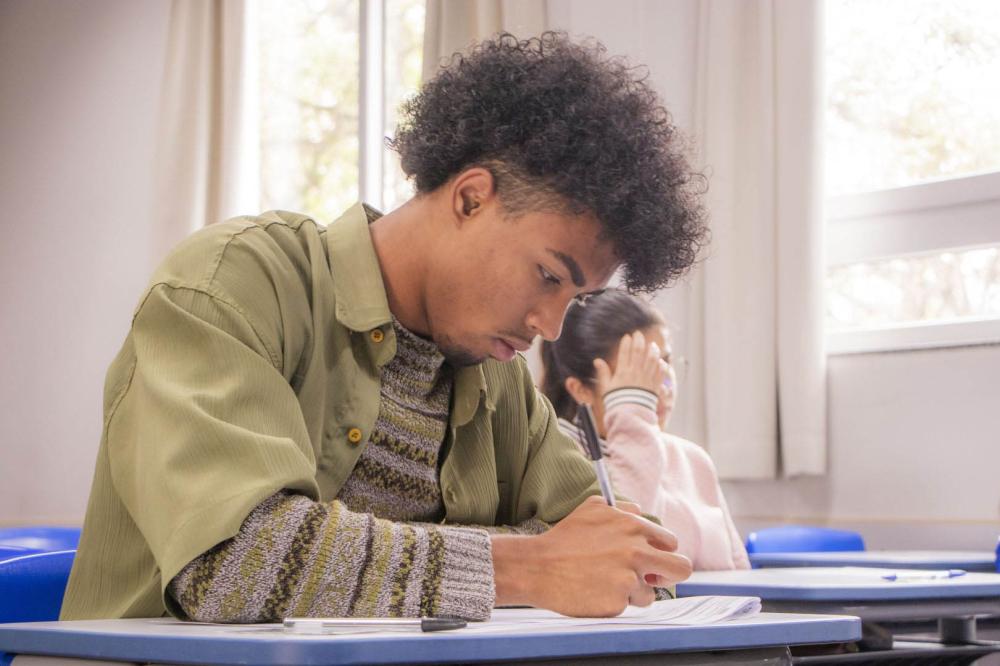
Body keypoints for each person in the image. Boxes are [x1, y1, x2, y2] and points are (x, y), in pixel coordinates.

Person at [61, 32, 708, 623]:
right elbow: (234, 562)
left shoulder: (498, 382)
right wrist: (529, 564)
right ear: (471, 197)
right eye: (547, 275)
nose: (549, 324)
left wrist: (349, 553)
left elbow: (636, 558)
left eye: (579, 297)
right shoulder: (233, 282)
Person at [540, 290, 750, 570]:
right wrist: (632, 413)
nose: (660, 388)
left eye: (664, 363)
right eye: (638, 373)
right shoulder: (560, 459)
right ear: (580, 389)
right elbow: (623, 555)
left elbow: (739, 573)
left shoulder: (693, 459)